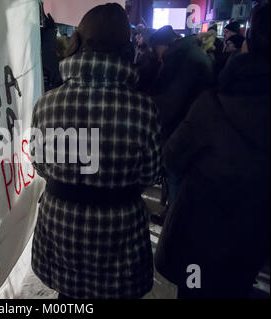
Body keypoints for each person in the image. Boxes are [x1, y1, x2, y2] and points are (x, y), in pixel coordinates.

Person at [30, 3, 162, 299]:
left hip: (61, 223)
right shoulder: (143, 108)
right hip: (119, 228)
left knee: (69, 296)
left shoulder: (47, 103)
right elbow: (151, 172)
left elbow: (39, 163)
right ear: (127, 49)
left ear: (77, 42)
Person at [155, 3, 270, 299]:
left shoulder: (216, 103)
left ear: (249, 42)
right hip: (254, 238)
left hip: (203, 235)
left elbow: (172, 156)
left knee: (195, 289)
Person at [150, 26, 215, 210]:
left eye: (156, 50)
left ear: (163, 46)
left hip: (184, 132)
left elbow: (171, 103)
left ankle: (173, 220)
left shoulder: (182, 60)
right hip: (196, 130)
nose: (157, 55)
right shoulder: (191, 54)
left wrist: (148, 106)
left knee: (177, 182)